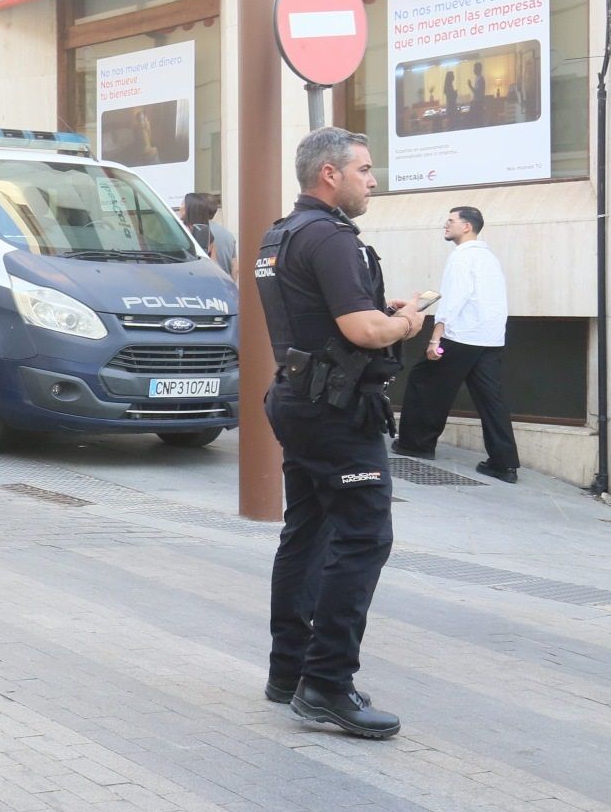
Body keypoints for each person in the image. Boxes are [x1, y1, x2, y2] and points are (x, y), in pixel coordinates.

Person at [254, 127, 427, 740]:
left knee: (306, 532)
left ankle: (289, 671)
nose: (373, 181)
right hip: (334, 411)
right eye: (364, 170)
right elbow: (362, 331)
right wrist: (407, 321)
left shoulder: (281, 235)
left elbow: (324, 320)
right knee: (363, 537)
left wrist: (384, 316)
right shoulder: (329, 238)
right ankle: (327, 682)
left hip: (298, 399)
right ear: (329, 174)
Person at [393, 206, 520, 481]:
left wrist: (435, 338)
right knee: (491, 400)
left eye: (451, 221)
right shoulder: (489, 257)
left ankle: (415, 444)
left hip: (461, 336)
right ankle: (505, 464)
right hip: (490, 339)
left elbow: (453, 300)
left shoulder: (462, 256)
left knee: (424, 381)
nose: (445, 225)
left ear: (467, 226)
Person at [182, 192, 233, 274]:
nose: (180, 207)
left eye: (183, 204)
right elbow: (214, 265)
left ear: (190, 208)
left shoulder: (181, 231)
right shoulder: (211, 234)